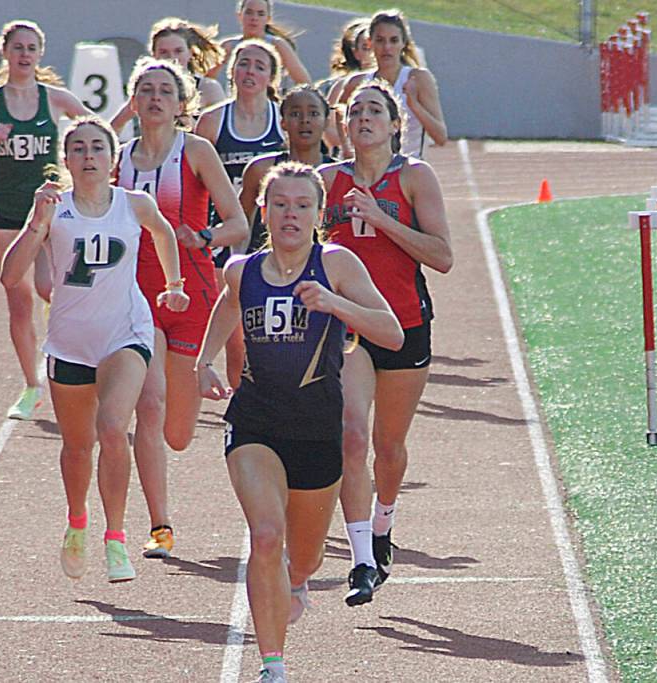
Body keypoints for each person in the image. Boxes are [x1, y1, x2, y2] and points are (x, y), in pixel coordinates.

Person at [196, 162, 402, 683]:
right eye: (281, 204)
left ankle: (297, 581)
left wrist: (333, 303)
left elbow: (392, 333)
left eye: (302, 205)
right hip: (255, 424)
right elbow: (227, 305)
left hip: (316, 434)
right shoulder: (243, 270)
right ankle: (272, 666)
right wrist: (204, 362)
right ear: (264, 210)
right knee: (266, 534)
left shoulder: (336, 264)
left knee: (303, 560)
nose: (291, 214)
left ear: (317, 213)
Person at [0, 115, 189, 583]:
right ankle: (77, 520)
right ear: (66, 160)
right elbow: (9, 275)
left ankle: (117, 538)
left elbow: (164, 233)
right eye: (79, 149)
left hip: (125, 334)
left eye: (97, 149)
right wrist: (35, 226)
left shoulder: (134, 204)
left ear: (113, 159)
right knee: (78, 447)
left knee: (111, 427)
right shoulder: (53, 209)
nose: (88, 157)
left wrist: (173, 284)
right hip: (70, 342)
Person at [319, 80, 453, 606]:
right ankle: (361, 561)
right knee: (351, 435)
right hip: (349, 330)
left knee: (388, 449)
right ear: (345, 126)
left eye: (375, 109)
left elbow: (442, 256)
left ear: (396, 124)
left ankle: (383, 524)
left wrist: (378, 218)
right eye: (355, 111)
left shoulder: (414, 177)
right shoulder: (326, 181)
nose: (364, 117)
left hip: (404, 324)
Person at [114, 57, 248, 559]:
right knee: (148, 408)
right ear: (133, 100)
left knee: (178, 433)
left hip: (191, 298)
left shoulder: (195, 152)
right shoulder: (118, 159)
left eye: (164, 91)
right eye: (145, 89)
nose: (153, 98)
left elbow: (238, 223)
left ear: (180, 104)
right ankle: (160, 526)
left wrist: (206, 235)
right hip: (138, 299)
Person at [0, 19, 89, 420]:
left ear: (40, 54)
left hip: (49, 205)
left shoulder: (57, 99)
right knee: (18, 298)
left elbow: (97, 130)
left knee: (50, 287)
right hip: (8, 210)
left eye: (32, 48)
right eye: (18, 48)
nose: (25, 55)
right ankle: (32, 386)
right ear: (5, 53)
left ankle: (73, 366)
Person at [196, 39, 286, 387]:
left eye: (260, 66)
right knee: (237, 335)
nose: (250, 71)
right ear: (232, 70)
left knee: (269, 332)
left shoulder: (284, 122)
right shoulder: (213, 121)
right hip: (227, 236)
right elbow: (193, 177)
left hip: (271, 235)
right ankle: (241, 403)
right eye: (244, 63)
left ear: (271, 78)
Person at [334, 9, 447, 159]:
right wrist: (347, 148)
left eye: (393, 40)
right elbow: (339, 112)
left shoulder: (418, 79)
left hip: (407, 170)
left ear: (403, 43)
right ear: (370, 43)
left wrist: (413, 104)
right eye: (380, 40)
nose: (387, 47)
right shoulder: (357, 83)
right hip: (368, 171)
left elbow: (440, 137)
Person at [238, 85, 335, 257]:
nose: (305, 120)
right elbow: (238, 223)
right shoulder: (260, 169)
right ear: (282, 122)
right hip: (267, 265)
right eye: (295, 114)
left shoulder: (336, 174)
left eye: (314, 114)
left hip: (323, 267)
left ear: (326, 121)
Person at [109, 17, 227, 135]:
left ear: (190, 53)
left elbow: (221, 135)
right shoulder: (148, 90)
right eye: (164, 52)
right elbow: (114, 127)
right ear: (154, 55)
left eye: (178, 51)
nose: (172, 58)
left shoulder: (207, 88)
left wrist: (191, 126)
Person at [209, 0, 311, 86]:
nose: (254, 18)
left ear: (268, 19)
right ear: (239, 15)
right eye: (249, 12)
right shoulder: (228, 46)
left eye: (260, 14)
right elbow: (206, 80)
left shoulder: (278, 45)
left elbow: (304, 82)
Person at [322, 18, 375, 152]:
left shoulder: (399, 83)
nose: (372, 54)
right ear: (355, 52)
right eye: (365, 48)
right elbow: (327, 125)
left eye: (375, 47)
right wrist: (349, 146)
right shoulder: (342, 86)